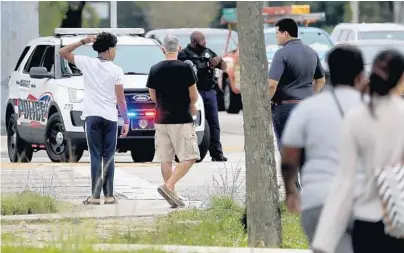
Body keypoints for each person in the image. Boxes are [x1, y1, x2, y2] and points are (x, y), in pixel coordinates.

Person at [312, 49, 404, 253]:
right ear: (400, 79)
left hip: (366, 221)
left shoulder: (356, 119)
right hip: (400, 220)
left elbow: (345, 181)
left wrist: (324, 240)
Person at [281, 45, 369, 253]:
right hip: (364, 202)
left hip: (318, 200)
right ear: (360, 75)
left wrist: (291, 192)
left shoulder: (308, 109)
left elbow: (289, 159)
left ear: (329, 72)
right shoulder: (372, 108)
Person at [59, 32, 129, 205]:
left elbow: (63, 52)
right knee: (109, 156)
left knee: (95, 156)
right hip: (110, 118)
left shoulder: (87, 63)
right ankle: (110, 196)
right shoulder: (117, 70)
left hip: (92, 116)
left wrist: (83, 41)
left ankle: (95, 197)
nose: (115, 52)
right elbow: (120, 99)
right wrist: (126, 120)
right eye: (115, 49)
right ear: (110, 49)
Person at [146, 34, 200, 208]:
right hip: (181, 118)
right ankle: (169, 186)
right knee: (190, 156)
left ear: (163, 49)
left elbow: (152, 94)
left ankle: (173, 196)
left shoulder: (154, 69)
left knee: (165, 159)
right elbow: (193, 94)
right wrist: (192, 105)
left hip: (160, 119)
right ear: (179, 48)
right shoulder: (185, 68)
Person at [268, 18, 326, 150]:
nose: (276, 37)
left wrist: (266, 102)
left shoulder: (281, 54)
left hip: (286, 109)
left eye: (277, 33)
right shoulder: (312, 52)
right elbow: (321, 80)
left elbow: (272, 84)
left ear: (285, 34)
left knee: (288, 153)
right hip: (308, 108)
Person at [178, 31, 228, 162]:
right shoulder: (184, 54)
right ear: (194, 41)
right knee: (193, 123)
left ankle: (217, 153)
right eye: (202, 40)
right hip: (194, 91)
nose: (204, 42)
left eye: (205, 40)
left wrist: (219, 59)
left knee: (214, 123)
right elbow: (186, 70)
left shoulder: (208, 52)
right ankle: (191, 152)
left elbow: (224, 67)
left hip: (209, 91)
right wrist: (206, 64)